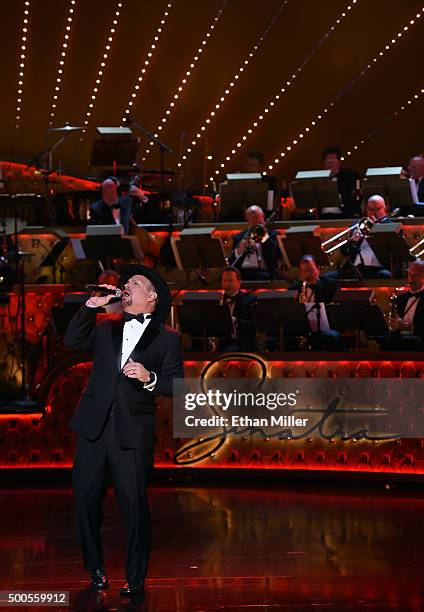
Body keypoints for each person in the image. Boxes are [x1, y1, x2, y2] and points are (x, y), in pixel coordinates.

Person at [64, 264, 183, 600]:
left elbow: (176, 385)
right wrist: (92, 304)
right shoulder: (105, 327)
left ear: (152, 297)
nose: (127, 285)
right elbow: (72, 341)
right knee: (85, 502)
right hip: (92, 428)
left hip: (131, 433)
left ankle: (135, 578)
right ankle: (96, 568)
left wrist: (149, 378)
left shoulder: (169, 338)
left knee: (134, 508)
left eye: (135, 282)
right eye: (126, 282)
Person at [289, 254, 341, 350]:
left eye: (310, 271)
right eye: (304, 272)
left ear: (318, 269)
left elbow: (336, 312)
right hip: (301, 328)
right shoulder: (294, 288)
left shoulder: (331, 285)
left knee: (331, 337)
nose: (307, 275)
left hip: (324, 328)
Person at [340, 195, 396, 279]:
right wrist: (353, 241)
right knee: (327, 278)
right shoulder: (359, 224)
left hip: (379, 268)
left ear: (385, 208)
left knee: (385, 275)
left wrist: (377, 229)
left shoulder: (391, 226)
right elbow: (344, 252)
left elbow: (395, 253)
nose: (373, 212)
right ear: (366, 209)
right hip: (357, 268)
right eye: (370, 209)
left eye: (377, 209)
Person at [228, 205, 280, 280]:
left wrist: (265, 238)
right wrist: (240, 250)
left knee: (263, 276)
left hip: (264, 271)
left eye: (258, 221)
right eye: (253, 221)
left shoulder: (273, 235)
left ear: (263, 217)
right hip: (243, 271)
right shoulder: (239, 237)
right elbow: (232, 262)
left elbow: (277, 255)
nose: (256, 221)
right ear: (247, 219)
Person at [383, 260, 424, 350]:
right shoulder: (401, 298)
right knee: (386, 338)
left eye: (415, 275)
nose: (411, 279)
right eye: (410, 275)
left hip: (419, 337)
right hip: (401, 336)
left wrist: (407, 326)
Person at [218, 266, 258, 352]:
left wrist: (235, 321)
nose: (227, 284)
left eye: (230, 281)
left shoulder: (250, 299)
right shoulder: (218, 299)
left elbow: (254, 326)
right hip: (223, 342)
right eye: (224, 280)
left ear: (239, 282)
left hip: (243, 343)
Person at [321, 146, 361, 218]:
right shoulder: (320, 178)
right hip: (321, 216)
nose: (330, 164)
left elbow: (354, 196)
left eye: (333, 161)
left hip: (343, 214)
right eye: (327, 161)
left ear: (339, 162)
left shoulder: (349, 176)